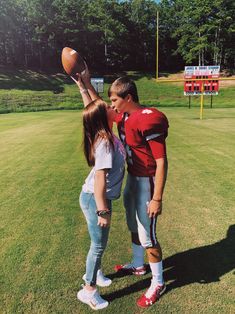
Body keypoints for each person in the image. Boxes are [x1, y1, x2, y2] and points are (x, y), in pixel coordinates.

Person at [108, 77, 169, 308]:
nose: (112, 104)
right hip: (132, 177)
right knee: (132, 226)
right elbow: (98, 106)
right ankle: (138, 264)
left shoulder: (148, 119)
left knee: (148, 236)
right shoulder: (123, 115)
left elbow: (162, 162)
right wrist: (83, 83)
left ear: (128, 98)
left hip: (147, 181)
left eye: (114, 99)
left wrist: (157, 198)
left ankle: (158, 282)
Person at [74, 75, 126, 310]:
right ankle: (89, 290)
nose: (111, 106)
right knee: (97, 245)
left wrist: (83, 87)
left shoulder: (106, 131)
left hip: (98, 198)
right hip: (96, 199)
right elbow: (99, 181)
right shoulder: (105, 142)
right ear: (104, 117)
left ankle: (98, 273)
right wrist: (102, 211)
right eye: (108, 107)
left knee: (99, 243)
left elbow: (93, 106)